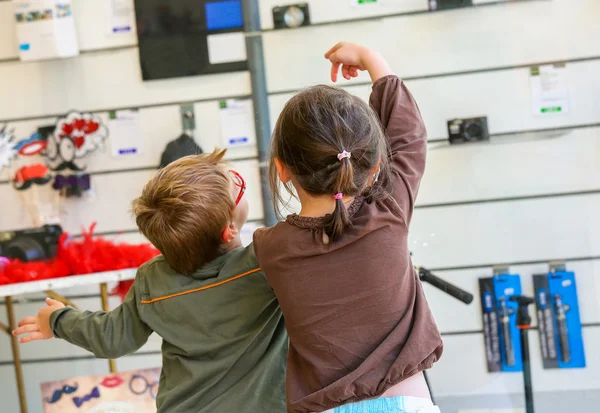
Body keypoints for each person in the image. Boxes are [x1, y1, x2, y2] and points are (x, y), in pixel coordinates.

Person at [13, 149, 288, 413]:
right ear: (228, 228)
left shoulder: (151, 279)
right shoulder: (267, 263)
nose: (241, 184)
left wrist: (57, 320)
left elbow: (112, 337)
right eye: (238, 186)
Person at [253, 42, 443, 413]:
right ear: (374, 168)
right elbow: (409, 136)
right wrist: (374, 62)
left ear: (282, 168)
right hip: (406, 403)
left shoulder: (270, 248)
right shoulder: (388, 210)